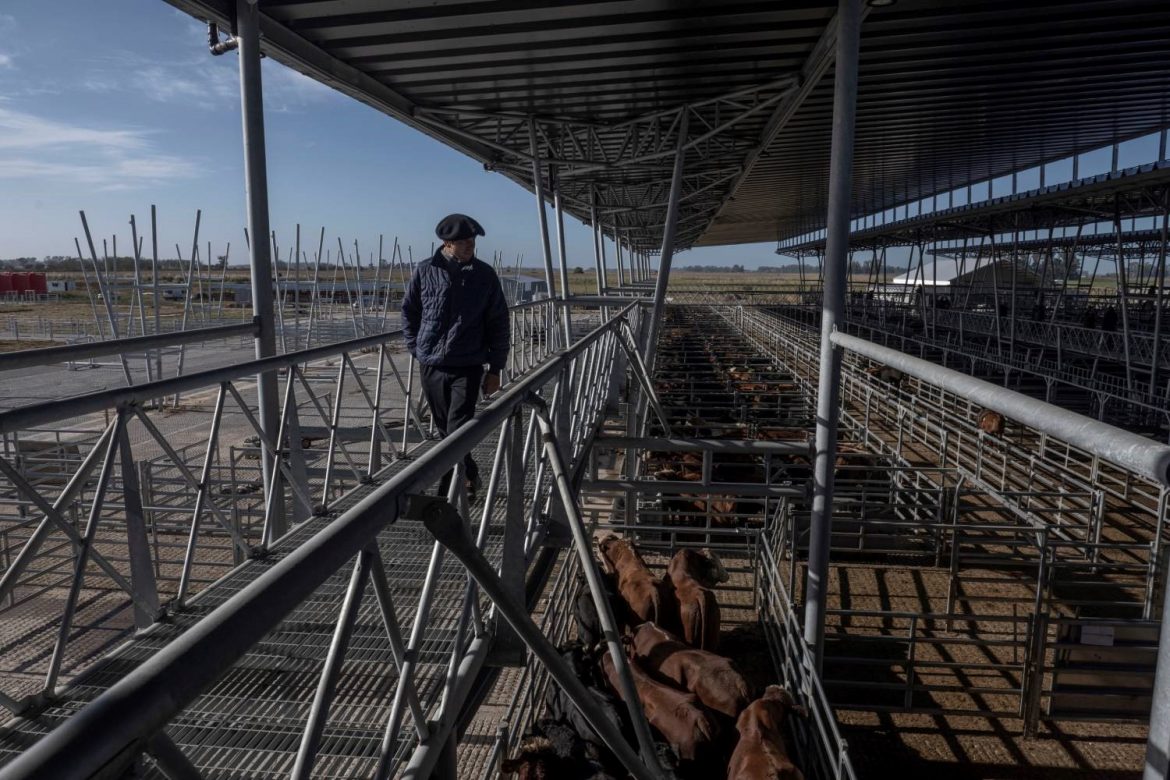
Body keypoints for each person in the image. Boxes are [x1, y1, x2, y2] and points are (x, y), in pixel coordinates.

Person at [401, 213, 510, 501]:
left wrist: (496, 368)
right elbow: (409, 311)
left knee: (457, 430)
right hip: (432, 364)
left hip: (468, 364)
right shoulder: (425, 270)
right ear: (447, 244)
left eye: (472, 241)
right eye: (464, 242)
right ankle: (469, 472)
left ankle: (445, 495)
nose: (470, 246)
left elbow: (499, 322)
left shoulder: (484, 275)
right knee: (444, 431)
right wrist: (416, 347)